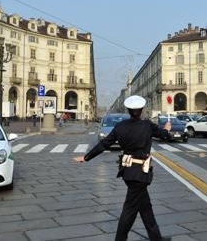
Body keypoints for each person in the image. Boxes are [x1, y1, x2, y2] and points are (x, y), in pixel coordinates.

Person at [73, 95, 172, 241]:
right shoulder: (147, 125)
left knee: (145, 207)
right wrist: (167, 129)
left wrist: (86, 157)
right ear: (142, 110)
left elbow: (104, 144)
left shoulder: (120, 127)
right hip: (140, 174)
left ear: (129, 110)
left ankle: (156, 238)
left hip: (127, 171)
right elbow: (164, 136)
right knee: (129, 210)